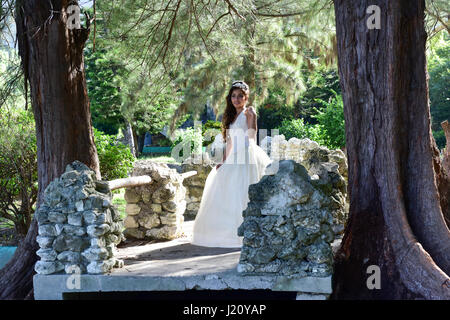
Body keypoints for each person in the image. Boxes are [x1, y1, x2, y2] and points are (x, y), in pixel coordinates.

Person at [191, 81, 272, 248]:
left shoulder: (249, 112)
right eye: (234, 96)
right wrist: (224, 161)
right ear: (230, 98)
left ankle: (251, 230)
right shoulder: (230, 116)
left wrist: (243, 153)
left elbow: (252, 135)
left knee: (244, 190)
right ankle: (227, 232)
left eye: (240, 96)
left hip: (247, 153)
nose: (237, 99)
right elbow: (229, 143)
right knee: (224, 184)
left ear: (246, 97)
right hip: (234, 155)